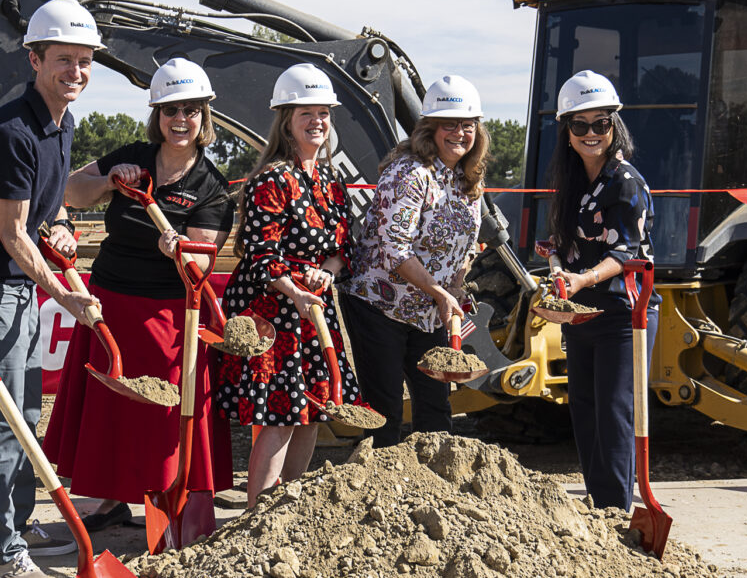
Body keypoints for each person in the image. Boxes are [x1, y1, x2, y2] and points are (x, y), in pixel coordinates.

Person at [42, 58, 235, 542]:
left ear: (204, 116)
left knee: (164, 417)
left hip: (170, 318)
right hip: (108, 304)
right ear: (157, 115)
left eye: (191, 110)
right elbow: (71, 190)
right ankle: (111, 504)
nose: (181, 120)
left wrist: (181, 254)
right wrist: (108, 180)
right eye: (171, 110)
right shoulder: (132, 158)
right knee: (111, 410)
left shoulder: (210, 188)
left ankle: (170, 508)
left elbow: (200, 268)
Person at [0, 0, 103, 578]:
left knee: (27, 416)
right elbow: (13, 236)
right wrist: (67, 298)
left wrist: (61, 221)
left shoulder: (60, 122)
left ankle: (19, 521)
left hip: (18, 288)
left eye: (85, 60)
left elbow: (47, 205)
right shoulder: (11, 133)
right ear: (34, 58)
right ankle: (4, 549)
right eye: (64, 58)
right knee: (1, 423)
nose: (76, 71)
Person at [214, 63, 363, 508]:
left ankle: (286, 509)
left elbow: (344, 246)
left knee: (311, 411)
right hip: (274, 311)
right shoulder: (271, 180)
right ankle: (256, 513)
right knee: (280, 414)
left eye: (323, 113)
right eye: (306, 114)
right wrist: (296, 290)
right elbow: (261, 254)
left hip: (313, 307)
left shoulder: (331, 181)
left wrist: (328, 272)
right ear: (286, 121)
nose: (317, 122)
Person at [342, 75, 489, 447]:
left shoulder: (468, 181)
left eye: (467, 125)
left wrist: (454, 287)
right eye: (449, 124)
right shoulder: (409, 173)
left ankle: (434, 489)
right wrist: (440, 293)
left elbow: (465, 246)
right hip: (380, 305)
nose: (459, 133)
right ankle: (376, 493)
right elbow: (396, 250)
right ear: (430, 128)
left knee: (436, 404)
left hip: (428, 308)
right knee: (384, 408)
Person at [547, 70, 659, 511]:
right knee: (586, 410)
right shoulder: (573, 182)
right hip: (582, 313)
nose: (592, 134)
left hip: (623, 313)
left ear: (615, 127)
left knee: (615, 414)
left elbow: (625, 254)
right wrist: (556, 256)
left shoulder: (625, 181)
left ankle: (616, 511)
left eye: (601, 123)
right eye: (581, 125)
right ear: (567, 133)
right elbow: (570, 242)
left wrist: (580, 279)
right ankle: (600, 507)